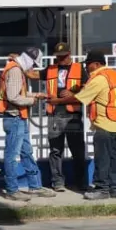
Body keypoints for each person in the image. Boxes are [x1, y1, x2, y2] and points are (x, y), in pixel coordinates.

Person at [48, 49, 116, 201]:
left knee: (102, 158)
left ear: (96, 64)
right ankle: (115, 189)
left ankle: (102, 189)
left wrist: (57, 101)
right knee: (114, 157)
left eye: (88, 64)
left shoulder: (99, 78)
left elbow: (80, 98)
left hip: (104, 123)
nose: (86, 67)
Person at [0, 46, 55, 201]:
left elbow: (18, 92)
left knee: (26, 153)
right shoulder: (15, 70)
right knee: (12, 155)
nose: (33, 68)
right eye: (34, 64)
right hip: (14, 118)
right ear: (29, 60)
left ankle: (35, 186)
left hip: (18, 118)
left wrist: (37, 94)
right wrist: (32, 100)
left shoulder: (15, 68)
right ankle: (12, 190)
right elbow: (13, 97)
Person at [44, 41, 87, 193]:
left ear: (69, 54)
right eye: (58, 56)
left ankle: (81, 182)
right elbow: (33, 74)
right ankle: (57, 182)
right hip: (54, 114)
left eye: (63, 56)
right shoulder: (50, 69)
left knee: (78, 150)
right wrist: (18, 61)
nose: (60, 59)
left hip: (73, 114)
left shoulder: (79, 68)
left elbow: (87, 88)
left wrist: (73, 92)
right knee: (56, 150)